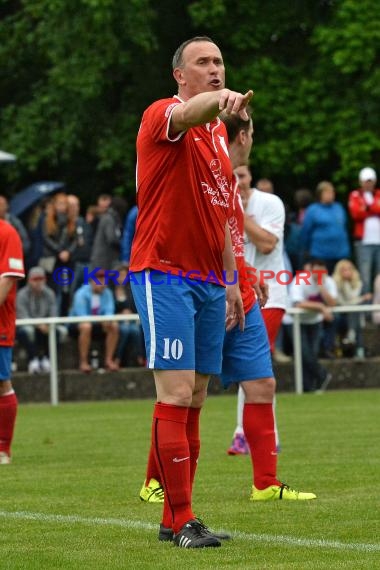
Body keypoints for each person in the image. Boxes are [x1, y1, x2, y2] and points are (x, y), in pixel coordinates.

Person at [139, 109, 316, 517]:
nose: (252, 138)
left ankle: (266, 484)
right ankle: (156, 483)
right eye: (251, 130)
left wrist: (245, 275)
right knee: (184, 393)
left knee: (261, 385)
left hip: (240, 292)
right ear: (242, 136)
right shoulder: (204, 176)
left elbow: (233, 242)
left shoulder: (234, 189)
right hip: (205, 289)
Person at [129, 36, 249, 548]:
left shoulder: (218, 140)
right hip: (164, 271)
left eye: (219, 61)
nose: (215, 69)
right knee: (175, 393)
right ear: (179, 74)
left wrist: (231, 282)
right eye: (203, 62)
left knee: (197, 397)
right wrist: (215, 103)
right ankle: (181, 519)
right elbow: (191, 113)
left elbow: (222, 216)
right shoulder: (165, 113)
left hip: (205, 280)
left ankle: (175, 519)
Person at [227, 162, 288, 454]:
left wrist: (237, 216)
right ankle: (253, 435)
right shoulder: (226, 198)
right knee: (251, 368)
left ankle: (251, 434)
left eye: (242, 175)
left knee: (255, 368)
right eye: (233, 176)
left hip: (271, 293)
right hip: (242, 290)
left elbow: (267, 244)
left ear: (250, 176)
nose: (238, 181)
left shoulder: (270, 202)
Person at [289, 259, 337, 392]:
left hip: (314, 321)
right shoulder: (300, 279)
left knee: (312, 354)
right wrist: (321, 307)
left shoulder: (329, 282)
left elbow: (333, 303)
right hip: (295, 321)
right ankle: (323, 375)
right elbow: (297, 303)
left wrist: (321, 287)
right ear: (310, 270)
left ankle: (308, 387)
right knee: (304, 354)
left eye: (322, 271)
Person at [0, 219, 25, 464]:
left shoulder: (7, 233)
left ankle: (3, 448)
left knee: (1, 384)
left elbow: (7, 280)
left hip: (0, 325)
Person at [16, 266, 68, 374]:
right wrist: (38, 324)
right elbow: (22, 315)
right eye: (35, 279)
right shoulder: (21, 295)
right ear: (29, 280)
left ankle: (47, 359)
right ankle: (33, 359)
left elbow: (54, 313)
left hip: (46, 325)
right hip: (29, 325)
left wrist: (47, 324)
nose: (38, 282)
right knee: (27, 330)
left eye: (41, 279)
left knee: (61, 331)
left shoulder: (50, 293)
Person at [69, 270, 119, 373]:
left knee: (113, 326)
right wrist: (101, 320)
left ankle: (108, 360)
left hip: (97, 323)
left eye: (104, 280)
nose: (102, 283)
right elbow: (81, 315)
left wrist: (106, 320)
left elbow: (109, 311)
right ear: (91, 281)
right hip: (77, 324)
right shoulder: (81, 293)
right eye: (99, 280)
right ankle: (83, 362)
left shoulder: (107, 293)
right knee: (86, 326)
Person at [301, 180, 350, 275]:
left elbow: (344, 228)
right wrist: (306, 254)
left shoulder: (339, 207)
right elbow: (305, 232)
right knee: (322, 283)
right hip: (320, 255)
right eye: (327, 192)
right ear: (320, 194)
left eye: (332, 192)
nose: (331, 194)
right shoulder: (313, 210)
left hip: (340, 253)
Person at [348, 167, 380, 294]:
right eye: (366, 181)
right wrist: (374, 208)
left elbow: (364, 210)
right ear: (361, 182)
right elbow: (356, 214)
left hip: (379, 242)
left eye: (370, 181)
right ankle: (365, 310)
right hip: (364, 242)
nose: (368, 184)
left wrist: (366, 208)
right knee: (365, 276)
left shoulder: (378, 194)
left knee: (379, 277)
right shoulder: (355, 195)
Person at [332, 259, 372, 359]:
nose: (347, 272)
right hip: (340, 313)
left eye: (349, 269)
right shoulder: (335, 284)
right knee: (355, 311)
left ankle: (353, 338)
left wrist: (359, 300)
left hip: (354, 314)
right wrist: (361, 298)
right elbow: (342, 303)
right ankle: (359, 348)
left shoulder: (359, 283)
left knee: (355, 313)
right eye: (344, 270)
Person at [90, 196, 127, 271]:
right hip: (103, 260)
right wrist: (123, 244)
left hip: (103, 259)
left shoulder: (109, 217)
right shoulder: (109, 219)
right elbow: (112, 238)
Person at [0, 194, 31, 259]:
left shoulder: (15, 222)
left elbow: (25, 241)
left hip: (12, 258)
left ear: (7, 206)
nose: (2, 207)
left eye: (3, 205)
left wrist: (16, 253)